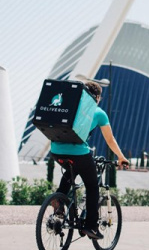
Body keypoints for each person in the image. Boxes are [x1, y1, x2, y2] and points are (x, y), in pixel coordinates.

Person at [50, 81, 129, 240]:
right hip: (78, 152)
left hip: (56, 151)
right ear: (98, 97)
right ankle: (91, 226)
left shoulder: (70, 106)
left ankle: (59, 201)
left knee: (71, 170)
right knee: (92, 186)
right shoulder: (98, 112)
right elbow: (110, 139)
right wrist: (121, 157)